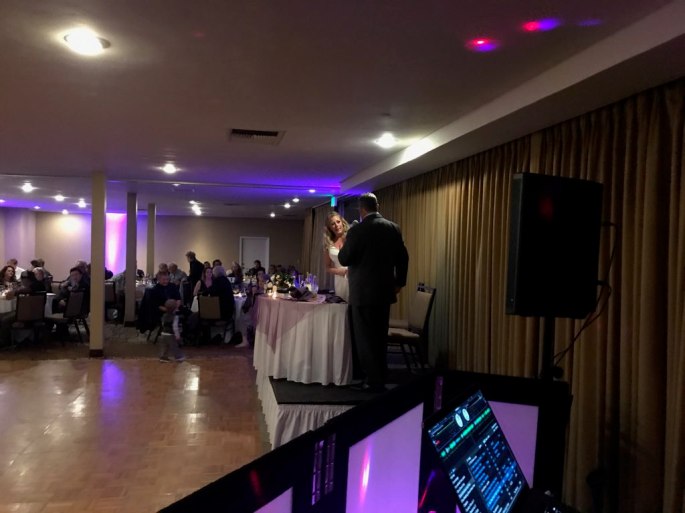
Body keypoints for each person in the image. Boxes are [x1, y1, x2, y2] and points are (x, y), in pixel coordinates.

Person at [338, 193, 409, 393]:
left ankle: (371, 380)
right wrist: (399, 282)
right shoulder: (392, 228)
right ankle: (380, 375)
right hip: (384, 292)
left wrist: (347, 238)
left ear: (361, 210)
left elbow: (344, 259)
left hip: (362, 293)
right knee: (379, 336)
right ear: (377, 206)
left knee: (364, 338)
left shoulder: (357, 230)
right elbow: (403, 258)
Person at [323, 211, 350, 302]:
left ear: (342, 222)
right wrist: (339, 271)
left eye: (338, 222)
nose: (337, 225)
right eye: (333, 224)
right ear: (330, 228)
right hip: (339, 279)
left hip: (353, 276)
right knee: (341, 305)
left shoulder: (351, 237)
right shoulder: (328, 243)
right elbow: (327, 267)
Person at [158, 299, 185, 363]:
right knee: (174, 346)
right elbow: (175, 327)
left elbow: (163, 323)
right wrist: (177, 335)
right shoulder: (175, 317)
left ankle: (163, 357)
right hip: (171, 334)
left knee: (165, 346)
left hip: (163, 333)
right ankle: (179, 357)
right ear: (175, 308)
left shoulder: (164, 315)